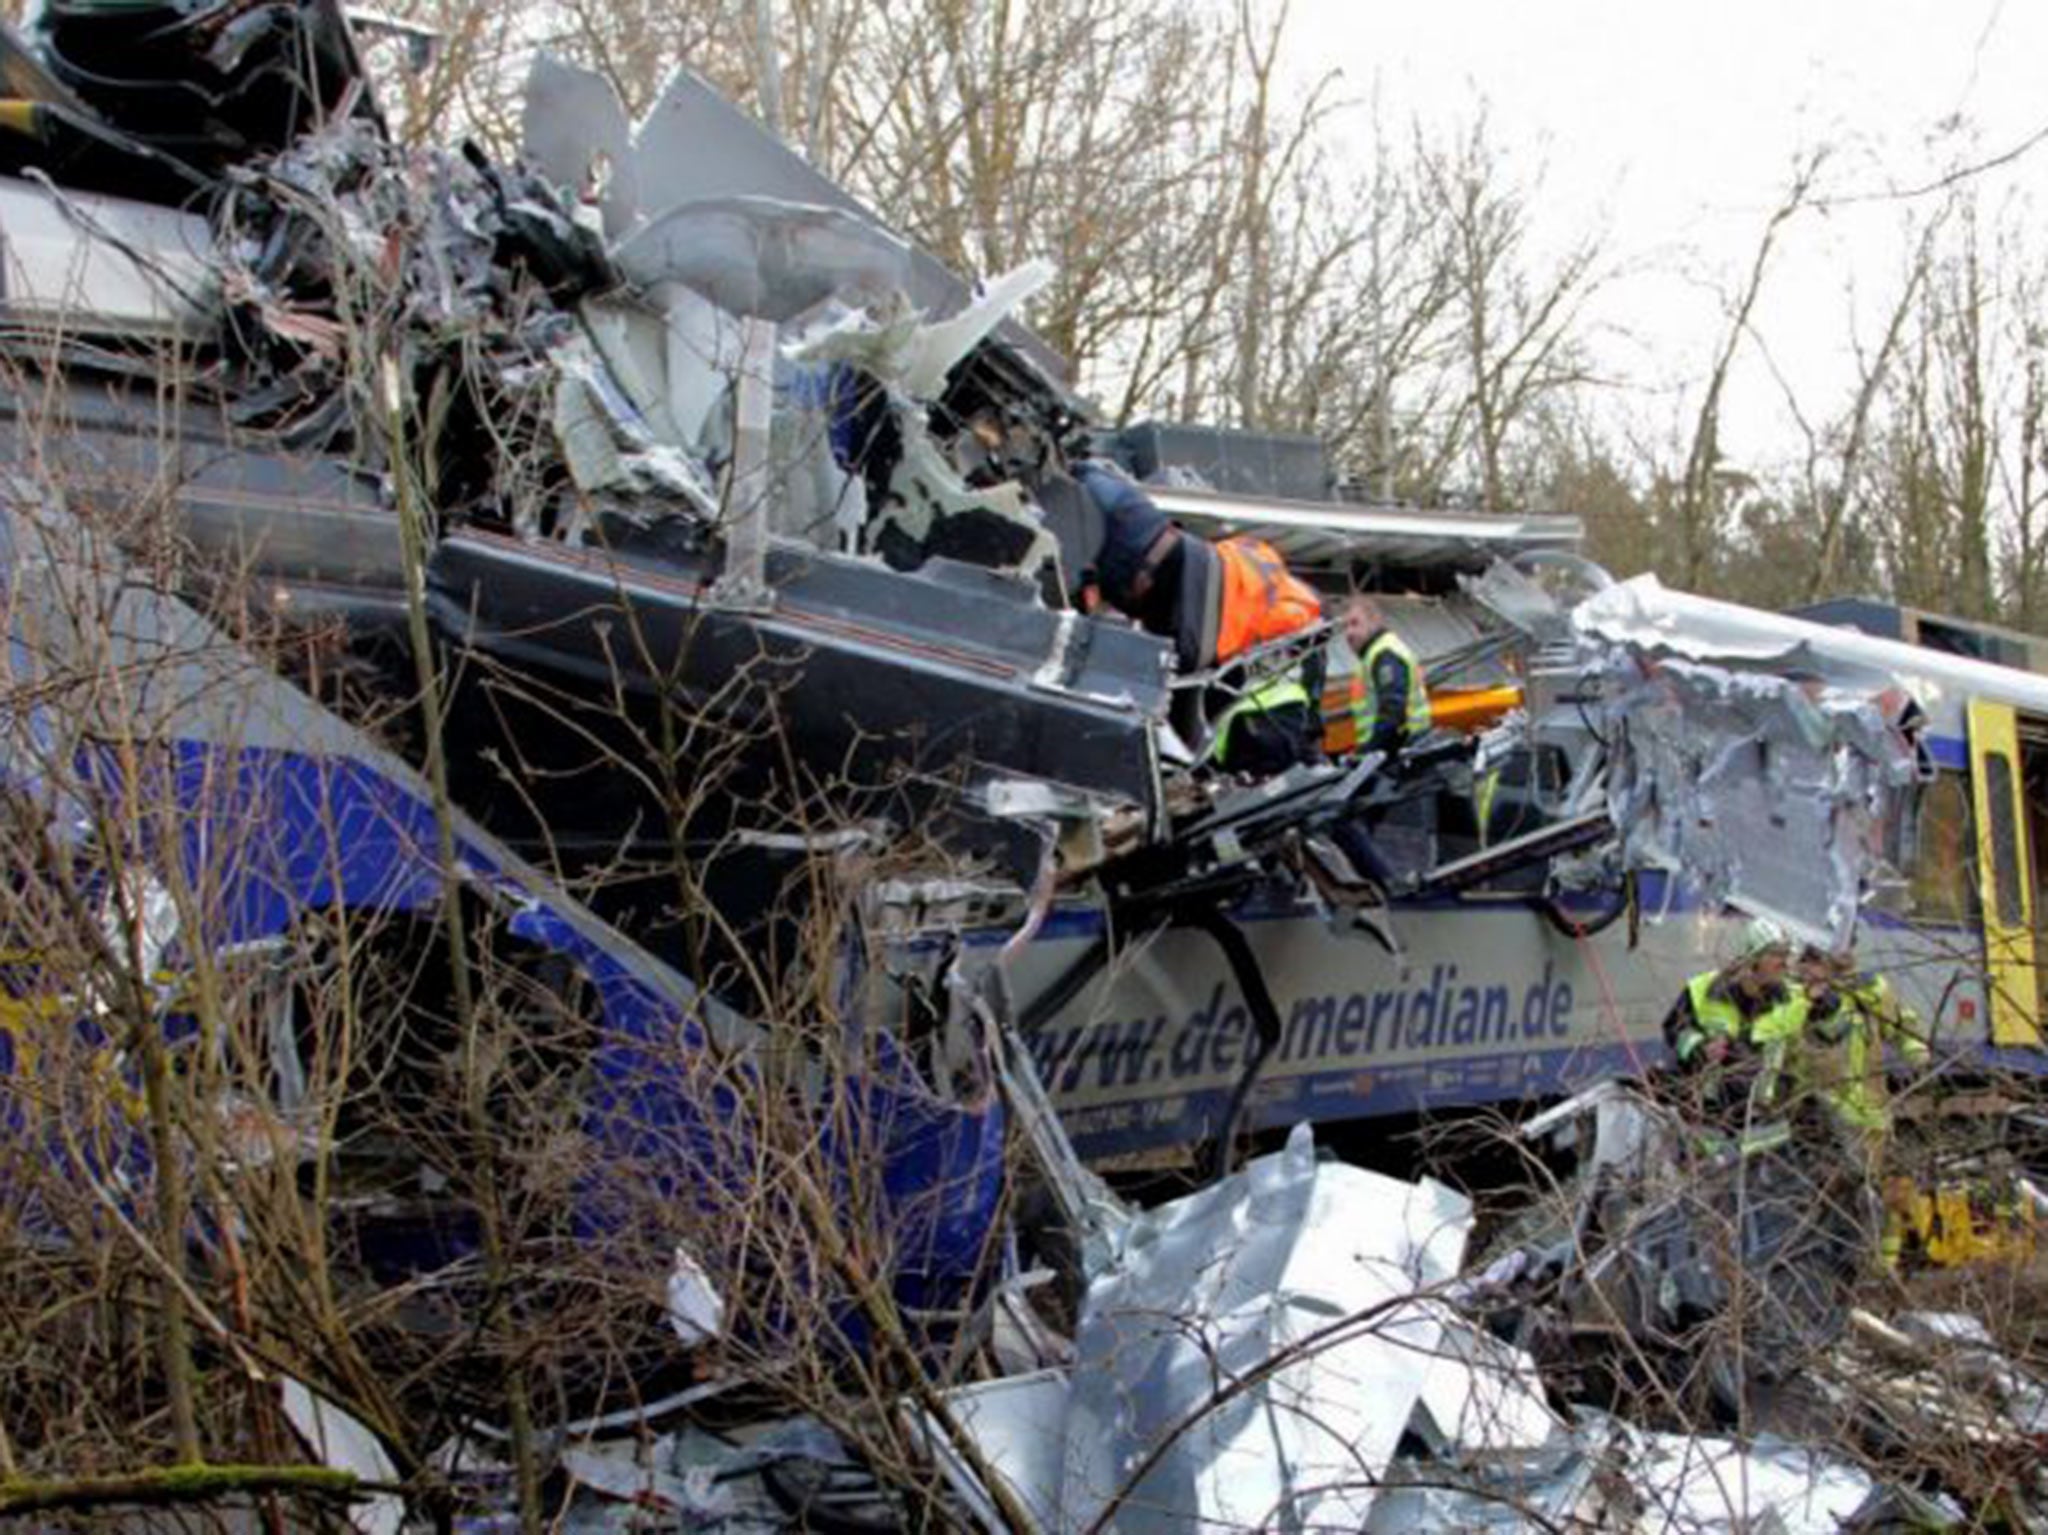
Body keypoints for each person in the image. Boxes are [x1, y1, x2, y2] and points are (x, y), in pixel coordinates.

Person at [1070, 459, 1320, 672]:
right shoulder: (1279, 607)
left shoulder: (1278, 577)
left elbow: (1234, 546)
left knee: (1087, 481)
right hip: (1168, 606)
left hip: (1168, 554)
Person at [1660, 919, 1803, 1119]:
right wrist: (1699, 1048)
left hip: (1760, 1113)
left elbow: (1827, 1037)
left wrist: (1827, 1005)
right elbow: (1673, 1029)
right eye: (1776, 954)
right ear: (1752, 958)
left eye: (1787, 955)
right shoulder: (1703, 989)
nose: (1785, 963)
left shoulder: (1792, 999)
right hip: (1706, 1110)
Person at [1321, 595, 1431, 761]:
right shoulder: (1373, 656)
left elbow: (1393, 712)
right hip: (1398, 750)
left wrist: (1367, 752)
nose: (1349, 633)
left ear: (1374, 622)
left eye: (1355, 623)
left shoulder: (1384, 655)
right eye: (1345, 627)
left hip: (1401, 752)